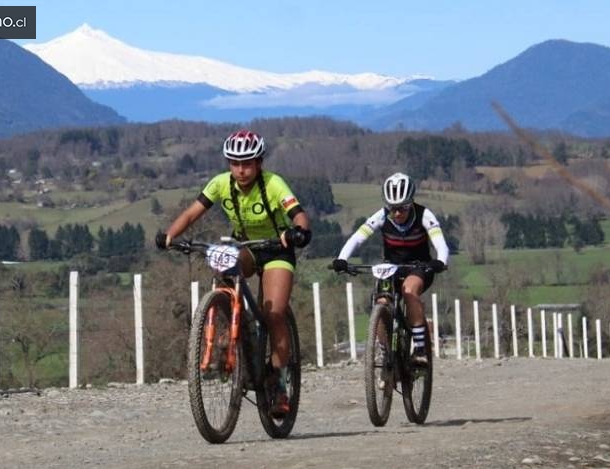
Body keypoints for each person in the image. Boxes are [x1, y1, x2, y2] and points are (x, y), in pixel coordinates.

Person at [155, 129, 311, 417]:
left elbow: (298, 213)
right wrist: (170, 235)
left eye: (248, 163)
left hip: (277, 249)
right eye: (235, 163)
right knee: (224, 267)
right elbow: (192, 213)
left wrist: (299, 231)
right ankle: (230, 335)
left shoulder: (274, 184)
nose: (241, 170)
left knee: (274, 313)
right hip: (246, 246)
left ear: (259, 163)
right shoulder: (220, 184)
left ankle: (278, 381)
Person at [331, 172, 449, 366]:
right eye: (392, 208)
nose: (397, 214)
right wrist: (342, 259)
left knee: (409, 290)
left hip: (419, 266)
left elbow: (441, 244)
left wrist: (440, 261)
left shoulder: (424, 215)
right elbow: (358, 238)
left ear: (411, 202)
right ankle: (387, 352)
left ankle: (420, 348)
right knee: (381, 300)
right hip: (392, 267)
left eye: (402, 208)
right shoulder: (381, 216)